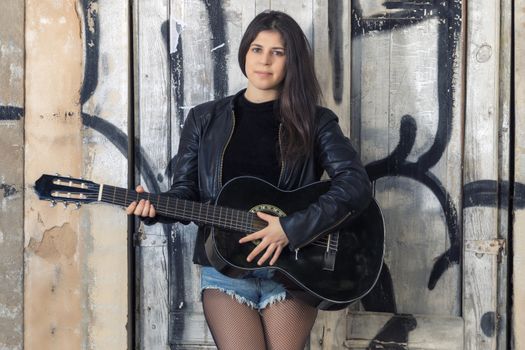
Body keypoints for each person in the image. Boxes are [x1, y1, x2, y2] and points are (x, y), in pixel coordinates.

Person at [127, 10, 371, 350]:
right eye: (257, 49)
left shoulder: (316, 122)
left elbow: (356, 184)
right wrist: (155, 208)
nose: (264, 61)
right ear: (244, 52)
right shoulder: (204, 119)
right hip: (225, 270)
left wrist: (291, 228)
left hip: (294, 272)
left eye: (278, 52)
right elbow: (188, 193)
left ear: (292, 61)